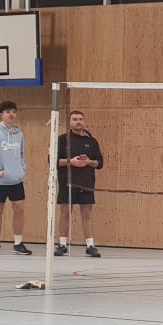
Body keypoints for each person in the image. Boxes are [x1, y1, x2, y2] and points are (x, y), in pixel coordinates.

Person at [0, 100, 32, 255]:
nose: (11, 114)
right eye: (8, 112)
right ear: (1, 114)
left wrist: (22, 169)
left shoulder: (19, 134)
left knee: (19, 208)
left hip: (16, 180)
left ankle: (18, 243)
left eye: (14, 111)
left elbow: (21, 154)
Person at [55, 109, 104, 257]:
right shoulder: (62, 140)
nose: (78, 122)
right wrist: (71, 161)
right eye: (75, 119)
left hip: (86, 183)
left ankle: (90, 246)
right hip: (67, 182)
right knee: (65, 213)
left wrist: (89, 162)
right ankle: (62, 245)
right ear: (70, 122)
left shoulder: (92, 141)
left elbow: (99, 163)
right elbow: (54, 161)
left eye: (80, 119)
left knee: (87, 214)